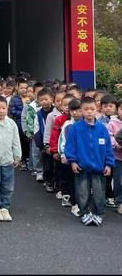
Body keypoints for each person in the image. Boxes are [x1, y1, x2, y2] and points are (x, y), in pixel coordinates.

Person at [65, 96, 115, 226]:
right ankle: (84, 212)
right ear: (81, 110)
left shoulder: (102, 129)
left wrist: (109, 164)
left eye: (92, 109)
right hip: (82, 167)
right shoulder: (75, 128)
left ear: (97, 109)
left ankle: (98, 213)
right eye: (86, 109)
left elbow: (109, 148)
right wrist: (73, 161)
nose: (89, 112)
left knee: (99, 193)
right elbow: (70, 147)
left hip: (99, 168)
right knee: (82, 192)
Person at [58, 98, 83, 216]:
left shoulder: (87, 123)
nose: (75, 113)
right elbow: (63, 141)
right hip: (70, 158)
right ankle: (75, 204)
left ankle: (83, 203)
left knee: (83, 183)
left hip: (84, 159)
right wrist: (63, 155)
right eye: (72, 110)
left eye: (78, 110)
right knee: (72, 182)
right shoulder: (67, 125)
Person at [99, 94, 118, 208]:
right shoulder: (99, 121)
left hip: (117, 153)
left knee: (117, 176)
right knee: (107, 175)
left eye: (111, 106)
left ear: (115, 107)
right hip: (104, 152)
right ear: (101, 107)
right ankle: (107, 195)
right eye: (105, 106)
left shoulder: (118, 120)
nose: (108, 108)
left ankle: (115, 195)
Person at [8, 79, 29, 170]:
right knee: (21, 143)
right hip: (19, 124)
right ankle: (22, 160)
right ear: (17, 88)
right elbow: (12, 110)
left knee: (29, 144)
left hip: (29, 125)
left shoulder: (30, 98)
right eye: (22, 88)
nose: (24, 90)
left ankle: (28, 160)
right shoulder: (14, 99)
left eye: (25, 88)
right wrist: (23, 114)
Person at [107, 100, 122, 215]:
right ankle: (119, 202)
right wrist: (116, 144)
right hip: (118, 158)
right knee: (119, 181)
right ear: (117, 110)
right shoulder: (112, 123)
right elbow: (109, 137)